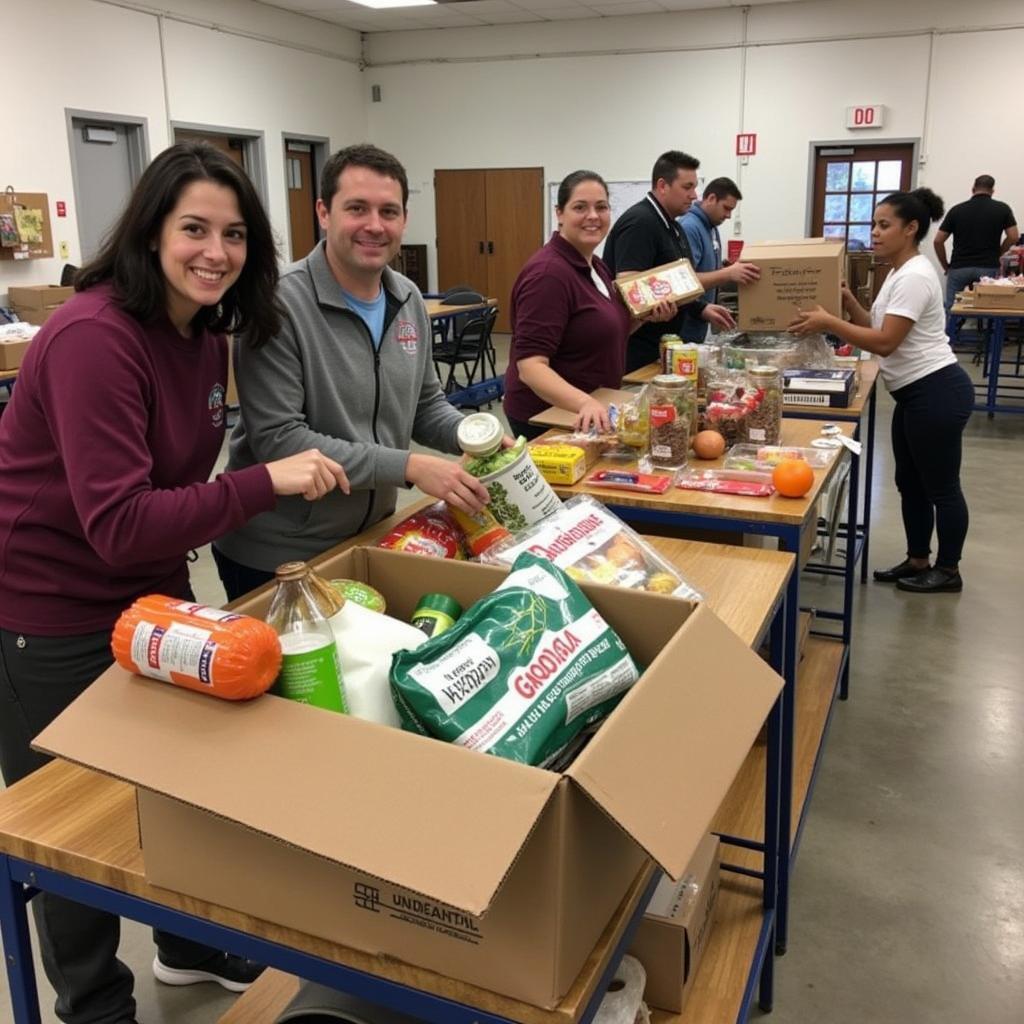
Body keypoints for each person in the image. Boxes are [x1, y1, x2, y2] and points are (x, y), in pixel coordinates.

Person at [0, 142, 349, 1024]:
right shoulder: (93, 336)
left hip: (146, 598)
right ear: (152, 230)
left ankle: (185, 946)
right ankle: (93, 1005)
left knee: (168, 781)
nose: (215, 251)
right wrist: (263, 482)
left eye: (233, 234)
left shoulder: (198, 333)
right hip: (44, 610)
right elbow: (119, 522)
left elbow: (173, 492)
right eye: (194, 228)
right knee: (72, 828)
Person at [213, 144, 499, 600]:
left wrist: (478, 433)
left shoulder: (406, 298)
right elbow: (280, 439)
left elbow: (425, 406)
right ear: (324, 213)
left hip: (371, 534)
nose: (374, 225)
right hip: (282, 556)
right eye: (357, 208)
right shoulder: (277, 306)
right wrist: (408, 466)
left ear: (404, 219)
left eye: (389, 211)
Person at [790, 188, 973, 594]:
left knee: (941, 486)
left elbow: (885, 342)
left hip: (937, 391)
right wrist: (845, 300)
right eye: (874, 224)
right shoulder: (897, 271)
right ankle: (918, 558)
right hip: (913, 394)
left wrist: (828, 322)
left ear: (911, 229)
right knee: (911, 482)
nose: (874, 232)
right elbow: (874, 323)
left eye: (884, 225)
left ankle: (948, 570)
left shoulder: (917, 277)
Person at [503, 171, 675, 438]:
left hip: (590, 408)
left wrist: (645, 316)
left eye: (601, 207)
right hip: (548, 416)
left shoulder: (595, 264)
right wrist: (584, 402)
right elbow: (531, 368)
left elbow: (605, 330)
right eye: (580, 207)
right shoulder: (548, 275)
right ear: (560, 213)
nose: (593, 216)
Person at [603, 150, 736, 372]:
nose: (694, 195)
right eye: (687, 187)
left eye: (694, 187)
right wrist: (650, 312)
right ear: (663, 186)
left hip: (660, 349)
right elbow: (628, 291)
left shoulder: (672, 225)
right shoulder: (641, 223)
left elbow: (677, 285)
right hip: (634, 355)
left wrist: (701, 308)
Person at [678, 177, 760, 341]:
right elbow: (684, 281)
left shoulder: (711, 227)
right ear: (711, 198)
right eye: (726, 208)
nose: (729, 215)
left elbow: (707, 271)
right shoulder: (689, 227)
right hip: (685, 325)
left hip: (700, 322)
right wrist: (728, 273)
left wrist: (729, 269)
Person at [933, 174, 1018, 308]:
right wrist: (999, 253)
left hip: (959, 267)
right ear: (992, 191)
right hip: (988, 266)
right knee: (989, 308)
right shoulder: (1002, 209)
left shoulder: (957, 210)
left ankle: (952, 327)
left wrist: (946, 266)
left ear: (973, 189)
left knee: (953, 307)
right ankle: (986, 328)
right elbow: (1013, 236)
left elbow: (938, 241)